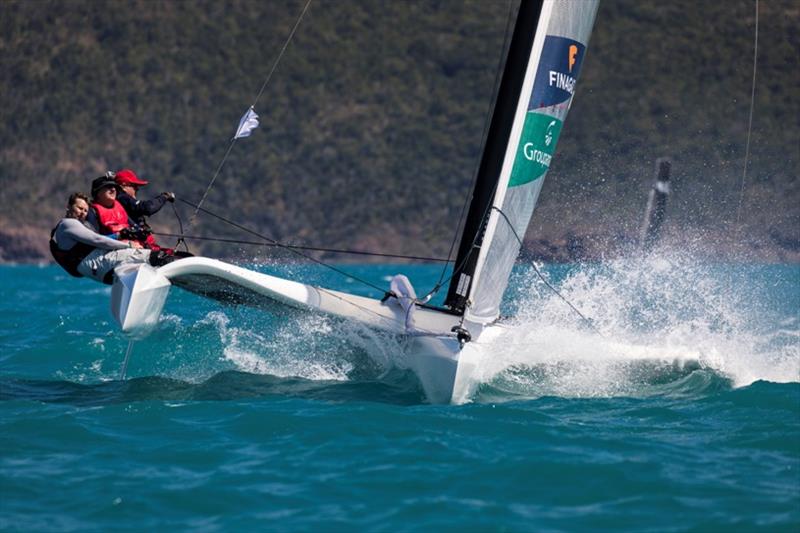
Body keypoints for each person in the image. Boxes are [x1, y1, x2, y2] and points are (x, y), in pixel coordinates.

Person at [50, 192, 153, 284]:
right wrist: (128, 245)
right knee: (156, 257)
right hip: (97, 266)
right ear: (69, 207)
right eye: (80, 208)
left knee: (144, 256)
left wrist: (119, 235)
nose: (83, 213)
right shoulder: (68, 224)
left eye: (85, 211)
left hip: (97, 269)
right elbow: (97, 240)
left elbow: (98, 239)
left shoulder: (76, 226)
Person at [114, 168, 175, 251]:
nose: (137, 189)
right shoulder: (122, 197)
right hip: (133, 245)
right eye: (134, 186)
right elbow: (148, 208)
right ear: (124, 185)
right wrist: (164, 197)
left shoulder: (120, 198)